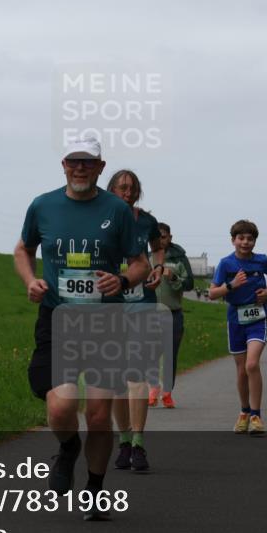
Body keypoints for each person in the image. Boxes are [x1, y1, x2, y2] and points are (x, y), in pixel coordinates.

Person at [14, 136, 149, 520]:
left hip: (105, 322)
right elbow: (23, 249)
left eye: (88, 163)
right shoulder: (43, 206)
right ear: (63, 164)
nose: (80, 168)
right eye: (74, 161)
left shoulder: (117, 211)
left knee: (99, 416)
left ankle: (93, 491)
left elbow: (140, 263)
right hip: (59, 319)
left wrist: (122, 281)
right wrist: (30, 280)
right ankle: (68, 447)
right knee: (61, 408)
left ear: (101, 167)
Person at [105, 170, 162, 472]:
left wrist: (159, 267)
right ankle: (124, 439)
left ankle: (138, 442)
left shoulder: (146, 221)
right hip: (110, 306)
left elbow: (157, 247)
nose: (127, 192)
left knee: (136, 373)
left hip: (141, 303)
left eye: (132, 188)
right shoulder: (99, 216)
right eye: (122, 187)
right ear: (111, 189)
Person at [208, 220, 267, 435]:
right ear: (233, 240)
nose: (245, 242)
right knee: (241, 371)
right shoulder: (226, 264)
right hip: (236, 319)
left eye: (250, 239)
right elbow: (212, 293)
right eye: (241, 238)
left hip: (258, 318)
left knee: (251, 364)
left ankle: (256, 415)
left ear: (255, 241)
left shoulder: (261, 260)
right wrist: (231, 285)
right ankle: (244, 412)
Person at [148, 223, 192, 409]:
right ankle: (153, 388)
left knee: (170, 353)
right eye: (156, 237)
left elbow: (189, 284)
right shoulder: (144, 257)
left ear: (170, 237)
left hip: (173, 313)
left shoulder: (178, 258)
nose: (160, 240)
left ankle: (167, 393)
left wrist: (173, 277)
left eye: (163, 236)